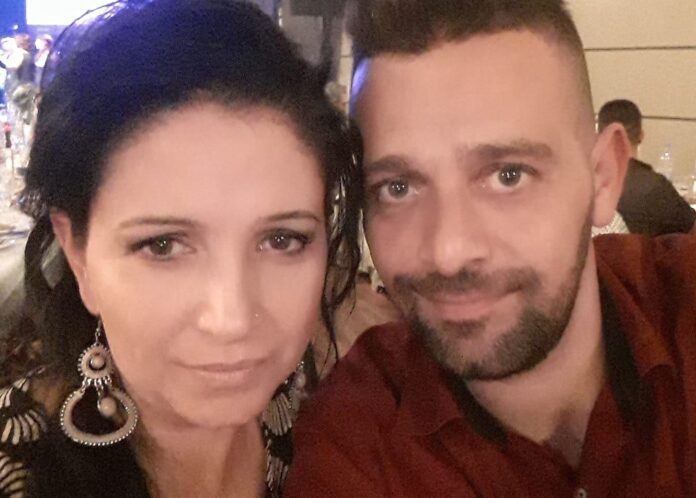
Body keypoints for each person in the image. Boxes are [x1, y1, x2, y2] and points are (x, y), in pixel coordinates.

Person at [286, 1, 696, 496]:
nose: (449, 252)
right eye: (398, 188)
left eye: (508, 175)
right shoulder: (356, 440)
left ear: (602, 178)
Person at [0, 0, 361, 496]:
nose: (232, 319)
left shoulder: (339, 434)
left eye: (282, 240)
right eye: (163, 245)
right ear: (78, 255)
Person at [597, 99, 696, 235]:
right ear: (641, 136)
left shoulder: (585, 184)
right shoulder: (655, 187)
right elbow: (692, 230)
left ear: (600, 136)